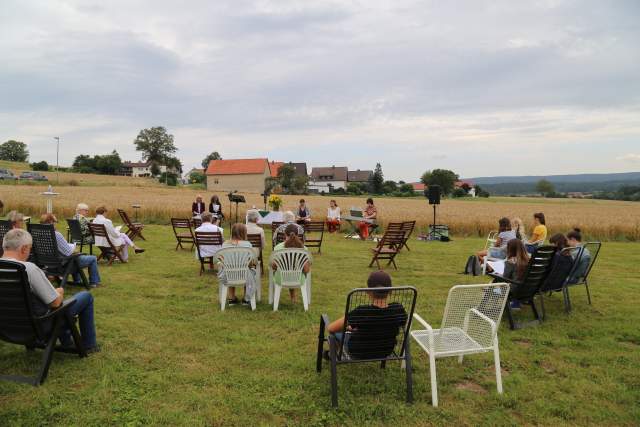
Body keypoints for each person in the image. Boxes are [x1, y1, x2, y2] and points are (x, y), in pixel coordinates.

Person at [1, 229, 100, 353]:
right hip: (38, 326)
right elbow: (55, 303)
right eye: (30, 249)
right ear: (24, 248)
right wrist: (59, 291)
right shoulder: (28, 269)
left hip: (6, 328)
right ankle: (89, 345)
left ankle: (67, 341)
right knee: (85, 296)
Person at [327, 270, 407, 359]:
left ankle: (331, 355)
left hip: (358, 351)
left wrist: (349, 327)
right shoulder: (398, 309)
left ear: (368, 291)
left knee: (336, 333)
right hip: (386, 351)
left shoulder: (362, 312)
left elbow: (331, 328)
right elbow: (396, 324)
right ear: (390, 291)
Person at [40, 213, 101, 287]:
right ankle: (94, 282)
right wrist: (75, 250)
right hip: (62, 265)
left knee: (75, 257)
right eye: (55, 222)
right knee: (91, 258)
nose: (56, 224)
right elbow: (68, 252)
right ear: (50, 222)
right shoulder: (55, 234)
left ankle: (77, 280)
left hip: (48, 265)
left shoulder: (38, 234)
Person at [220, 223, 257, 306]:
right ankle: (245, 298)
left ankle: (231, 297)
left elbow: (222, 259)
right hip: (244, 275)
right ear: (244, 233)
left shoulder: (225, 244)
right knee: (249, 271)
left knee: (230, 269)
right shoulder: (247, 245)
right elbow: (250, 262)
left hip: (228, 274)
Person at [273, 223, 311, 303]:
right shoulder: (304, 249)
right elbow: (306, 270)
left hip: (281, 279)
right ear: (298, 235)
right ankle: (293, 298)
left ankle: (289, 298)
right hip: (298, 279)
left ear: (284, 234)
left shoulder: (278, 247)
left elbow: (274, 266)